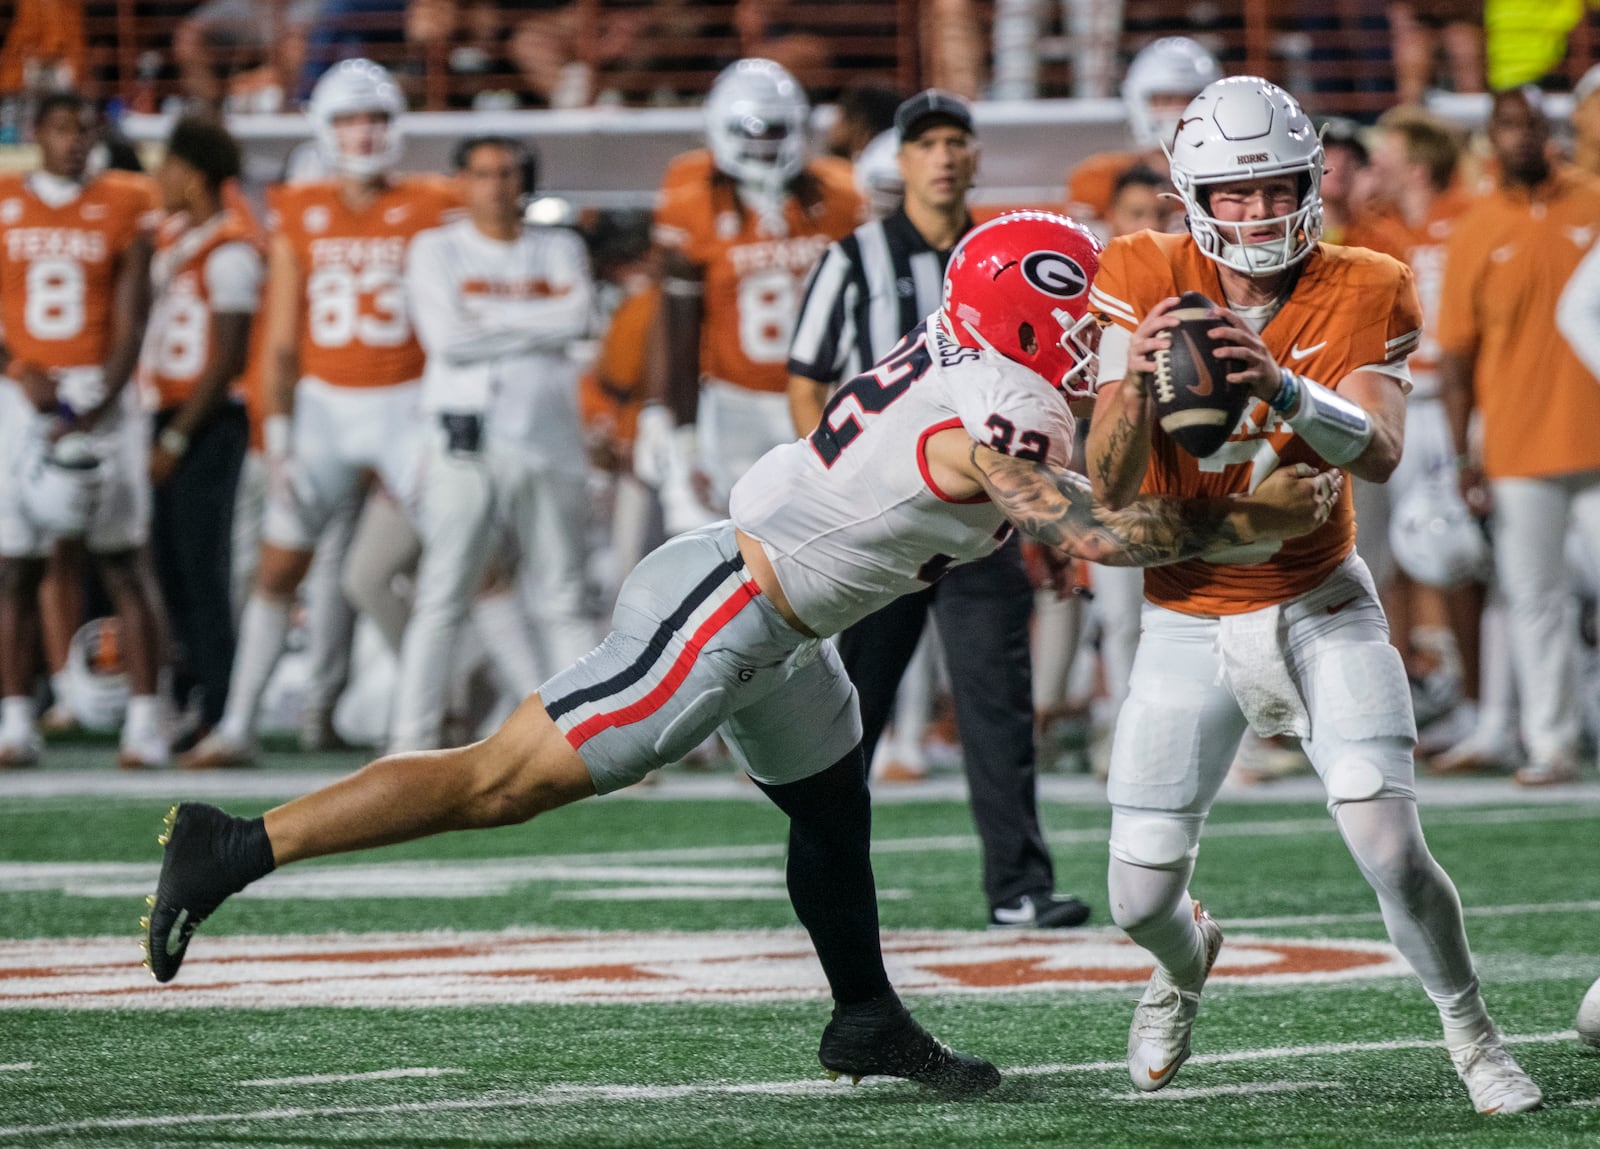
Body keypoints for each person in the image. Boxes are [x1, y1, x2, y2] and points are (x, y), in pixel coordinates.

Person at [144, 210, 1340, 1096]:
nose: (1097, 337)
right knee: (497, 782)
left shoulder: (977, 360)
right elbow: (1093, 529)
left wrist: (1147, 410)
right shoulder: (1008, 407)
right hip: (728, 605)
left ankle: (864, 1018)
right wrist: (1271, 514)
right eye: (1081, 319)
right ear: (1028, 319)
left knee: (830, 810)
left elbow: (1088, 493)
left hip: (781, 613)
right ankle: (236, 846)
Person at [1083, 75, 1542, 1114]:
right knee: (1136, 894)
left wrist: (1281, 387)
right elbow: (1106, 482)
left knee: (1391, 848)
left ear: (1311, 179)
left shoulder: (1367, 279)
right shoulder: (1142, 267)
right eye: (1232, 194)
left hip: (1317, 597)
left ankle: (1471, 1032)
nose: (1255, 211)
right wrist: (1132, 375)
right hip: (1187, 613)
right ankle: (1184, 960)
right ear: (1193, 195)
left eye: (1275, 185)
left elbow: (1379, 452)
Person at [787, 90, 1091, 930]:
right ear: (903, 159)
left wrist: (1044, 518)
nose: (945, 155)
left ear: (974, 155)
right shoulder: (856, 256)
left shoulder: (1011, 255)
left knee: (995, 698)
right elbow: (808, 375)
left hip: (982, 513)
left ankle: (1019, 886)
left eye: (958, 140)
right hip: (888, 508)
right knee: (850, 709)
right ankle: (820, 880)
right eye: (928, 143)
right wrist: (836, 484)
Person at [178, 59, 458, 769]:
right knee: (277, 571)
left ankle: (500, 712)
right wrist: (276, 434)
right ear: (323, 129)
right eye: (347, 120)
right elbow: (278, 337)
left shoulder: (435, 200)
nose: (363, 134)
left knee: (474, 565)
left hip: (408, 407)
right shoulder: (299, 207)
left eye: (375, 119)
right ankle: (238, 723)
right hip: (326, 409)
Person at [391, 135, 595, 751]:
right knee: (441, 595)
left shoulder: (559, 245)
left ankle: (589, 737)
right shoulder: (436, 247)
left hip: (549, 439)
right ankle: (409, 741)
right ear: (461, 181)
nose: (496, 186)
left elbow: (580, 317)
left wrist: (489, 323)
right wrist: (537, 325)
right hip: (463, 442)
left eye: (507, 173)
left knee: (563, 593)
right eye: (483, 174)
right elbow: (447, 339)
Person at [1437, 85, 1600, 788]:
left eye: (1533, 123)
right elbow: (1455, 356)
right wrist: (1463, 452)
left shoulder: (1593, 200)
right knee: (1533, 597)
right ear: (1492, 137)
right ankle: (1550, 742)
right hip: (1514, 443)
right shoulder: (1476, 227)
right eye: (1509, 126)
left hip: (1596, 438)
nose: (1523, 137)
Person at [0, 92, 167, 769]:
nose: (74, 142)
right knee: (14, 563)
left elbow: (135, 315)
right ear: (35, 130)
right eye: (62, 127)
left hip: (102, 390)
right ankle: (15, 719)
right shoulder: (6, 198)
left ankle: (147, 721)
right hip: (19, 394)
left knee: (124, 557)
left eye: (85, 130)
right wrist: (16, 368)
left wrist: (99, 399)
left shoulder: (127, 199)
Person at [632, 58, 861, 537]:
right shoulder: (690, 194)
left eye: (775, 131)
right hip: (731, 402)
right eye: (751, 133)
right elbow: (675, 315)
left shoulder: (839, 194)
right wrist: (660, 409)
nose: (763, 146)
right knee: (710, 540)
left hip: (823, 395)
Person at [140, 117, 259, 750]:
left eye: (167, 166)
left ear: (191, 173)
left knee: (200, 566)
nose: (158, 178)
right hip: (169, 411)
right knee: (170, 567)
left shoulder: (234, 247)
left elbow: (229, 358)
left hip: (204, 421)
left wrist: (178, 437)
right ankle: (192, 696)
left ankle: (218, 703)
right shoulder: (180, 236)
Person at [1064, 36, 1222, 235]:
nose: (1177, 111)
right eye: (1165, 99)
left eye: (1189, 100)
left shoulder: (1224, 178)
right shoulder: (1097, 178)